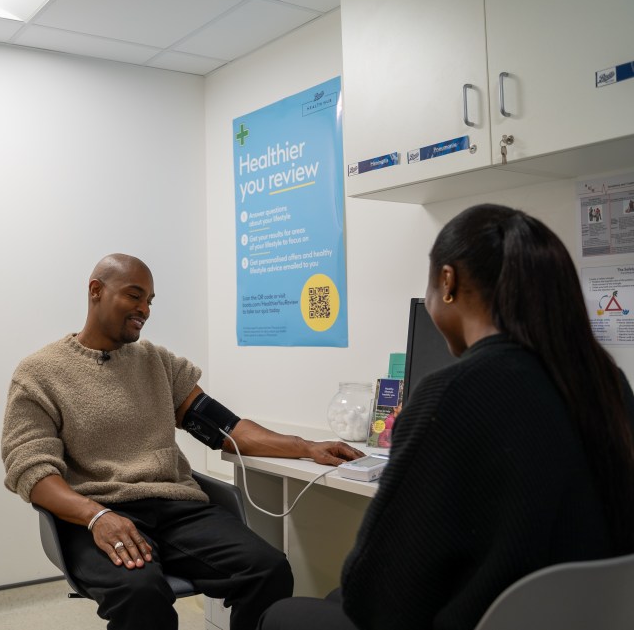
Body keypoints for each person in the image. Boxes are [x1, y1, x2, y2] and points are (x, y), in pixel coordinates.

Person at [259, 203, 634, 630]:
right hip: (587, 618)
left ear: (447, 282)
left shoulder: (451, 394)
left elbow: (375, 593)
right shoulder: (608, 384)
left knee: (282, 615)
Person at [1, 254, 363, 630]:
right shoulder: (40, 373)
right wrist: (97, 516)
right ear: (96, 291)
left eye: (150, 301)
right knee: (140, 593)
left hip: (177, 509)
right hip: (97, 511)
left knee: (267, 569)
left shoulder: (158, 363)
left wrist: (307, 447)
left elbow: (227, 429)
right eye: (134, 296)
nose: (144, 309)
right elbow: (32, 471)